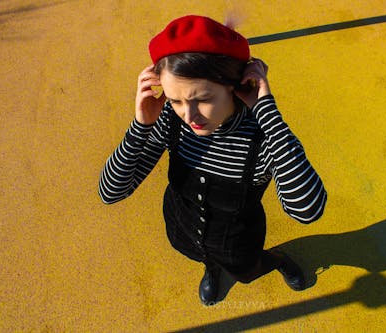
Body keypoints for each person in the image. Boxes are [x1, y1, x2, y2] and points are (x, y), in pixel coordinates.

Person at [99, 15, 327, 305]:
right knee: (205, 258)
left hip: (239, 243)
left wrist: (266, 112)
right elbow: (111, 192)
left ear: (235, 86)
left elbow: (307, 209)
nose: (189, 115)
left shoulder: (262, 137)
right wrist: (141, 125)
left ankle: (275, 260)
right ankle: (211, 269)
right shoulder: (170, 119)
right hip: (183, 229)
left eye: (203, 99)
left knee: (248, 270)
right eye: (176, 99)